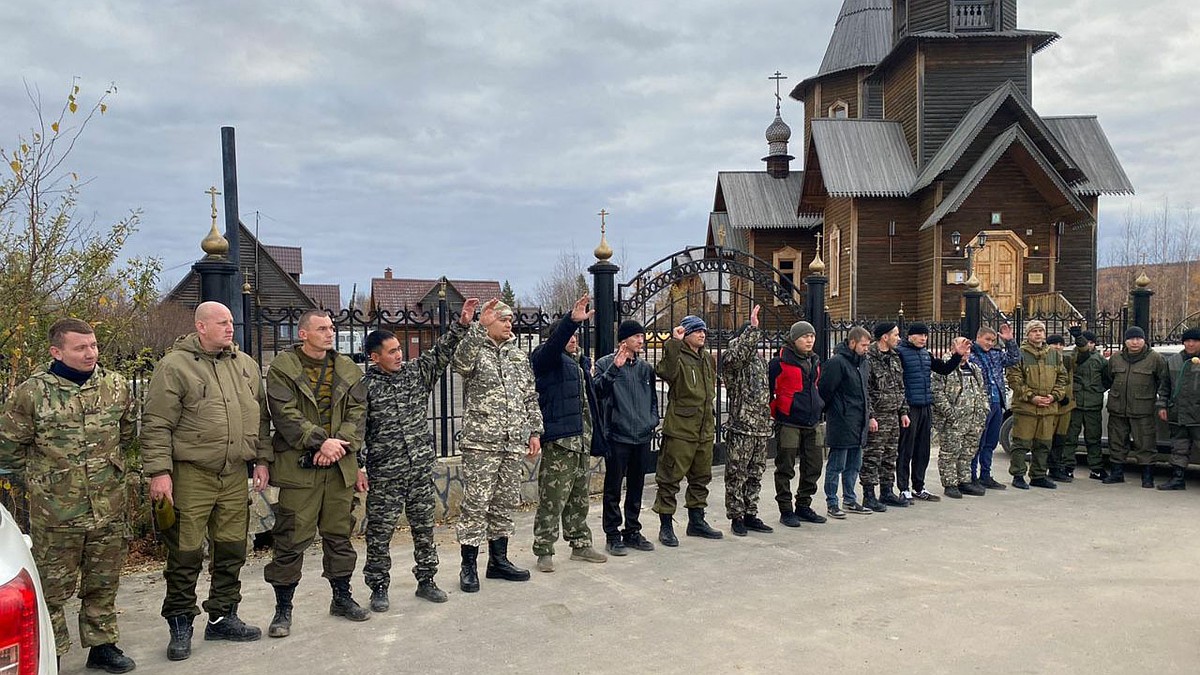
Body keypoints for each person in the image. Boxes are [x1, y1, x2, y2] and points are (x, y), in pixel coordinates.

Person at [0, 319, 138, 673]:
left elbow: (126, 433)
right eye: (81, 348)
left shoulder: (115, 385)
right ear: (56, 352)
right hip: (56, 513)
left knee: (102, 581)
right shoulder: (32, 394)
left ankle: (102, 645)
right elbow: (10, 449)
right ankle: (54, 653)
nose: (90, 353)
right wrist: (42, 483)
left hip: (108, 506)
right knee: (51, 589)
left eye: (93, 345)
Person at [142, 301, 269, 661]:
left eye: (231, 322)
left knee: (231, 548)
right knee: (185, 552)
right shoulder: (174, 367)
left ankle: (222, 616)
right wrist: (159, 472)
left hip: (233, 474)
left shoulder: (245, 365)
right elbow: (156, 423)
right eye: (222, 322)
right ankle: (180, 621)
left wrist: (262, 459)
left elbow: (260, 419)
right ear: (200, 326)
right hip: (191, 474)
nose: (231, 328)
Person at [360, 298, 478, 611]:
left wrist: (462, 324)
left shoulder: (415, 375)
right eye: (391, 352)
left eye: (399, 349)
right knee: (379, 533)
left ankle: (426, 580)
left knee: (424, 528)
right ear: (375, 357)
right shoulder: (364, 387)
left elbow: (442, 352)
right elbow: (355, 430)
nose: (399, 355)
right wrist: (358, 467)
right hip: (385, 475)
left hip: (419, 471)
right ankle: (379, 587)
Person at [263, 309, 370, 637]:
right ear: (303, 334)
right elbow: (284, 414)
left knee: (339, 536)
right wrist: (321, 443)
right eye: (322, 328)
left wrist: (338, 445)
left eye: (332, 328)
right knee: (291, 539)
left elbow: (358, 411)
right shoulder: (283, 368)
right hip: (299, 470)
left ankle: (341, 597)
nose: (330, 333)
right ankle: (283, 609)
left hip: (338, 467)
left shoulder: (348, 368)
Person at [452, 299, 543, 591]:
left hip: (512, 442)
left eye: (510, 319)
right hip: (481, 443)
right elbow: (459, 363)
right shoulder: (475, 349)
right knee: (476, 504)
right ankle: (468, 566)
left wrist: (534, 431)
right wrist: (477, 328)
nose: (508, 324)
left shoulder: (518, 356)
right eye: (502, 319)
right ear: (488, 322)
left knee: (504, 503)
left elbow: (530, 396)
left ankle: (498, 561)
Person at [529, 294, 608, 571]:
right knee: (553, 498)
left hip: (581, 440)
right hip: (561, 442)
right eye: (569, 336)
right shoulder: (545, 359)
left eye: (576, 336)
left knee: (578, 498)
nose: (573, 339)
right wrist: (570, 322)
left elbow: (591, 398)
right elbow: (552, 348)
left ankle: (580, 544)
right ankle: (544, 549)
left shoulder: (579, 364)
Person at [653, 315, 723, 545]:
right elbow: (666, 372)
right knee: (670, 478)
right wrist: (674, 342)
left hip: (703, 429)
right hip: (681, 430)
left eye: (704, 331)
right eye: (697, 331)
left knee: (701, 477)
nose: (702, 334)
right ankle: (666, 526)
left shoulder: (705, 358)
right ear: (687, 334)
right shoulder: (677, 355)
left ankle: (697, 521)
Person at [594, 320, 658, 555]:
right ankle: (612, 534)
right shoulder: (604, 364)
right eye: (636, 337)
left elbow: (652, 399)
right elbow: (597, 391)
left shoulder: (645, 368)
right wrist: (615, 368)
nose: (641, 340)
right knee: (613, 488)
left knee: (637, 487)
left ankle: (632, 530)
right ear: (623, 341)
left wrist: (652, 420)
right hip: (618, 436)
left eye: (642, 336)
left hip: (641, 436)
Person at [895, 324, 971, 503]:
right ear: (910, 336)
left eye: (925, 335)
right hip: (909, 407)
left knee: (923, 450)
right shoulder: (900, 353)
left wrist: (957, 355)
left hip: (925, 406)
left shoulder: (926, 354)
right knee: (906, 449)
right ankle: (903, 488)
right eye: (919, 335)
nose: (923, 338)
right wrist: (901, 409)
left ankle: (919, 487)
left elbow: (943, 369)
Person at [720, 305, 775, 536]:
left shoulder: (760, 361)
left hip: (760, 427)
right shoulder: (733, 358)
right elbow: (737, 357)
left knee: (756, 472)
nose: (756, 341)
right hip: (742, 427)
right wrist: (752, 329)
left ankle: (751, 512)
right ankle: (737, 516)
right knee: (737, 473)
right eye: (753, 337)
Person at [769, 320, 826, 527]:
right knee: (785, 467)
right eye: (805, 336)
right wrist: (777, 410)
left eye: (811, 336)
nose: (809, 340)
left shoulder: (815, 361)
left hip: (812, 421)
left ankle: (804, 505)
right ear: (794, 339)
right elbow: (769, 390)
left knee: (814, 466)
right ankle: (786, 510)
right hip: (789, 421)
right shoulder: (780, 362)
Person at [1101, 326, 1170, 487]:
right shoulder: (1116, 358)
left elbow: (1163, 383)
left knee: (1145, 444)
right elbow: (1107, 378)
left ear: (1144, 340)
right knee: (1116, 443)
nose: (1135, 342)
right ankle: (1117, 473)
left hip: (1143, 409)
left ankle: (1147, 476)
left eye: (1138, 339)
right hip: (1118, 409)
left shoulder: (1155, 358)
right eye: (1131, 339)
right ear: (1125, 341)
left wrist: (1161, 403)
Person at [1005, 320, 1069, 489]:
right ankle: (1018, 475)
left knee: (1044, 443)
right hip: (1027, 408)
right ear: (1028, 334)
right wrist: (1031, 397)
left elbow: (1062, 378)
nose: (1038, 333)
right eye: (1034, 331)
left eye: (1041, 330)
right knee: (1021, 443)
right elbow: (1014, 380)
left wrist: (1054, 396)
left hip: (1048, 408)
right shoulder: (1020, 354)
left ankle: (1038, 475)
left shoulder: (1054, 354)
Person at [819, 327, 873, 518]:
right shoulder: (836, 363)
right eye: (864, 345)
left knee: (854, 464)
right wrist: (835, 412)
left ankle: (850, 499)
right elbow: (825, 391)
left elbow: (866, 392)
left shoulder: (863, 363)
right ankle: (832, 502)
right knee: (836, 465)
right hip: (842, 421)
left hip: (859, 422)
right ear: (852, 343)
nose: (867, 349)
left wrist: (869, 416)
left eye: (868, 345)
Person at [863, 322, 908, 511]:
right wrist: (871, 416)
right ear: (885, 337)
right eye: (895, 335)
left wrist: (903, 411)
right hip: (878, 416)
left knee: (890, 455)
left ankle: (887, 491)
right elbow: (866, 390)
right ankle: (869, 495)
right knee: (873, 456)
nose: (899, 338)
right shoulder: (869, 358)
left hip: (893, 415)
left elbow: (900, 386)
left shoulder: (895, 358)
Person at [969, 324, 1019, 491]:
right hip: (980, 404)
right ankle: (971, 476)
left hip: (997, 403)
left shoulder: (996, 355)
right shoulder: (971, 354)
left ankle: (986, 475)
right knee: (977, 442)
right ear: (978, 338)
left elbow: (1014, 359)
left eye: (993, 340)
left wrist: (1010, 341)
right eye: (987, 339)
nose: (990, 343)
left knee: (990, 442)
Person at [932, 351, 989, 498]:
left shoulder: (974, 368)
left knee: (967, 452)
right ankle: (950, 484)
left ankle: (964, 481)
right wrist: (950, 414)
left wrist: (984, 408)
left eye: (968, 349)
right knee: (950, 452)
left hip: (974, 419)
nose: (966, 352)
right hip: (953, 420)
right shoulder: (944, 367)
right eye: (963, 348)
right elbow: (937, 393)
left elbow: (982, 389)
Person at [1157, 327, 1200, 490]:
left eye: (1195, 341)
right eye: (1187, 341)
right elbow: (1165, 386)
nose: (1190, 344)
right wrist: (1162, 405)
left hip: (1198, 415)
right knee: (1178, 447)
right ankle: (1177, 478)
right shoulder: (1174, 360)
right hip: (1178, 413)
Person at [1065, 328, 1107, 480]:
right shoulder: (1074, 356)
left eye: (1091, 342)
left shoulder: (1100, 360)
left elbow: (1107, 378)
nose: (1088, 345)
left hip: (1092, 404)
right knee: (1070, 438)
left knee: (1093, 439)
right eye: (1085, 342)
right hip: (1075, 403)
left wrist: (1098, 390)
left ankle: (1096, 468)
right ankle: (1067, 466)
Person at [1046, 334, 1079, 482]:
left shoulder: (1067, 360)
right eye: (1054, 344)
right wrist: (1058, 396)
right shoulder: (1043, 360)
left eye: (1061, 344)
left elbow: (1083, 354)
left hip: (1066, 407)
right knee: (1045, 440)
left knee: (1060, 439)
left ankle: (1055, 469)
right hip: (1050, 405)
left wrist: (1079, 338)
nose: (1058, 347)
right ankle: (1040, 470)